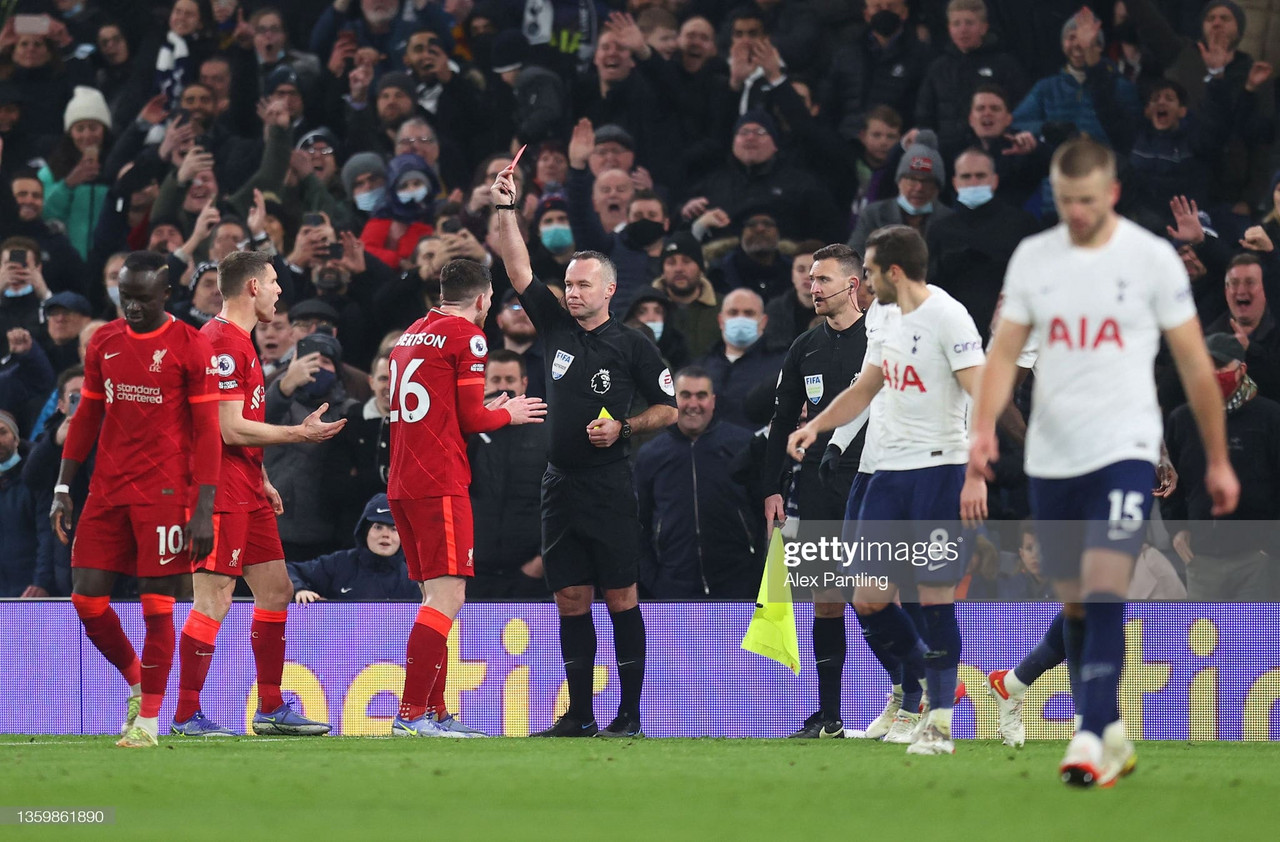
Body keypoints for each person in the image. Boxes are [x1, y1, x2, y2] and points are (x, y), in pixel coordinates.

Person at [968, 137, 1238, 786]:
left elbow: (1194, 363)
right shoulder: (1035, 259)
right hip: (1053, 458)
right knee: (1079, 602)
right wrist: (980, 437)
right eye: (1065, 203)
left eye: (1087, 202)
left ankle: (1089, 735)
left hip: (1123, 449)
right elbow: (1002, 356)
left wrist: (1215, 457)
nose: (1077, 214)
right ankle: (1096, 719)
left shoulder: (1150, 261)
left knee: (1103, 587)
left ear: (1112, 194)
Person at [493, 165, 678, 738]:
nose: (572, 293)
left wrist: (623, 428)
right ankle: (579, 714)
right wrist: (506, 207)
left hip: (609, 484)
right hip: (560, 483)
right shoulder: (553, 327)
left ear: (609, 290)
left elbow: (668, 409)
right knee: (570, 597)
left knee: (621, 595)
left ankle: (629, 715)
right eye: (569, 285)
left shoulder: (634, 345)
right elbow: (518, 267)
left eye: (583, 286)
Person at [787, 226, 987, 756]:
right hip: (886, 474)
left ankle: (938, 721)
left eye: (871, 271)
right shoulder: (884, 321)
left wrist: (977, 468)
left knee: (931, 595)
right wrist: (818, 428)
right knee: (868, 596)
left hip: (939, 469)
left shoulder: (949, 316)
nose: (865, 282)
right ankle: (932, 679)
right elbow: (866, 388)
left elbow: (982, 391)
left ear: (893, 272)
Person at [51, 251, 222, 749]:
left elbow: (209, 432)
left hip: (166, 494)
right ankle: (136, 680)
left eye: (143, 299)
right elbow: (85, 418)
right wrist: (64, 486)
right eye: (126, 298)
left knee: (156, 605)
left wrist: (204, 507)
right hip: (106, 489)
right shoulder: (103, 340)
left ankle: (148, 721)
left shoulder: (190, 347)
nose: (133, 309)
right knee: (86, 598)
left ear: (166, 295)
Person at [171, 251, 344, 738]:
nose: (278, 291)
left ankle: (270, 708)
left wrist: (261, 476)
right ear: (251, 287)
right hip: (216, 491)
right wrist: (298, 434)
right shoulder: (221, 343)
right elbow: (227, 428)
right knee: (215, 598)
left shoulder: (239, 343)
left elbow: (232, 424)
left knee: (276, 589)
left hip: (245, 484)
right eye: (272, 282)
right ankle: (186, 714)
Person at [387, 258, 547, 738]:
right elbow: (475, 422)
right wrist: (509, 413)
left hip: (403, 480)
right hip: (439, 480)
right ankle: (412, 714)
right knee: (448, 596)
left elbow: (450, 409)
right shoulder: (469, 336)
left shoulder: (410, 335)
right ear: (483, 299)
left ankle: (434, 713)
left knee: (433, 595)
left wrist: (485, 408)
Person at [762, 243, 869, 738]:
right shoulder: (804, 348)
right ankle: (829, 715)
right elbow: (782, 422)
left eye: (823, 279)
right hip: (819, 485)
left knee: (877, 598)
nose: (813, 287)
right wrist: (772, 487)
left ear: (852, 284)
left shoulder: (880, 342)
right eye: (809, 279)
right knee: (827, 599)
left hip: (875, 483)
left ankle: (913, 699)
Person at [634, 366, 760, 598]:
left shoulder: (743, 446)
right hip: (672, 589)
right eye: (685, 396)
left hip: (739, 587)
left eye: (701, 396)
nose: (693, 404)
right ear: (673, 400)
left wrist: (757, 575)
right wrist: (653, 580)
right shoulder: (650, 455)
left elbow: (764, 514)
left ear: (713, 401)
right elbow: (637, 524)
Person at [289, 493, 419, 602]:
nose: (386, 535)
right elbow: (290, 571)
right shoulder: (338, 563)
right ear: (364, 531)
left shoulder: (412, 579)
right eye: (378, 527)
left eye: (393, 529)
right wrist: (300, 589)